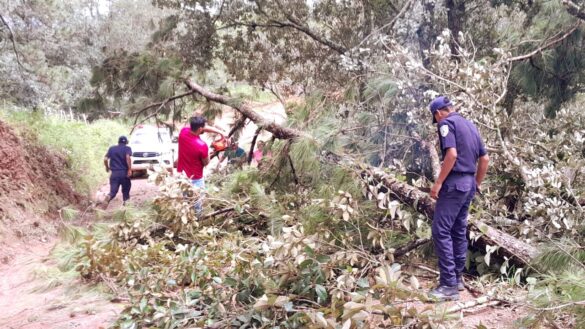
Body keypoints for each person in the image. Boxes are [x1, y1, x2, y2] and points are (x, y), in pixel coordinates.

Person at [427, 96, 489, 302]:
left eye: (436, 119)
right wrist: (476, 183)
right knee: (457, 230)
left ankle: (448, 285)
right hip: (468, 183)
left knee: (440, 230)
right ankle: (457, 278)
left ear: (438, 113)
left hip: (454, 184)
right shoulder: (470, 125)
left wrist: (438, 183)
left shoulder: (446, 124)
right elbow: (485, 158)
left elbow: (451, 155)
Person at [177, 116, 226, 215]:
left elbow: (203, 128)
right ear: (200, 129)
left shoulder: (183, 132)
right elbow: (206, 163)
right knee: (197, 207)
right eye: (203, 127)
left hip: (182, 176)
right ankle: (197, 224)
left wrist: (221, 133)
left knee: (185, 205)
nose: (205, 128)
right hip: (196, 179)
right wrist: (213, 152)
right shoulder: (202, 145)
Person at [103, 136, 132, 207]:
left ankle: (109, 197)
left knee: (113, 192)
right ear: (126, 142)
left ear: (118, 141)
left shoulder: (112, 148)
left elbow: (105, 159)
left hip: (114, 174)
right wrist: (129, 169)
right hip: (124, 173)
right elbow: (128, 157)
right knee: (125, 192)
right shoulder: (127, 148)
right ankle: (126, 209)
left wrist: (107, 167)